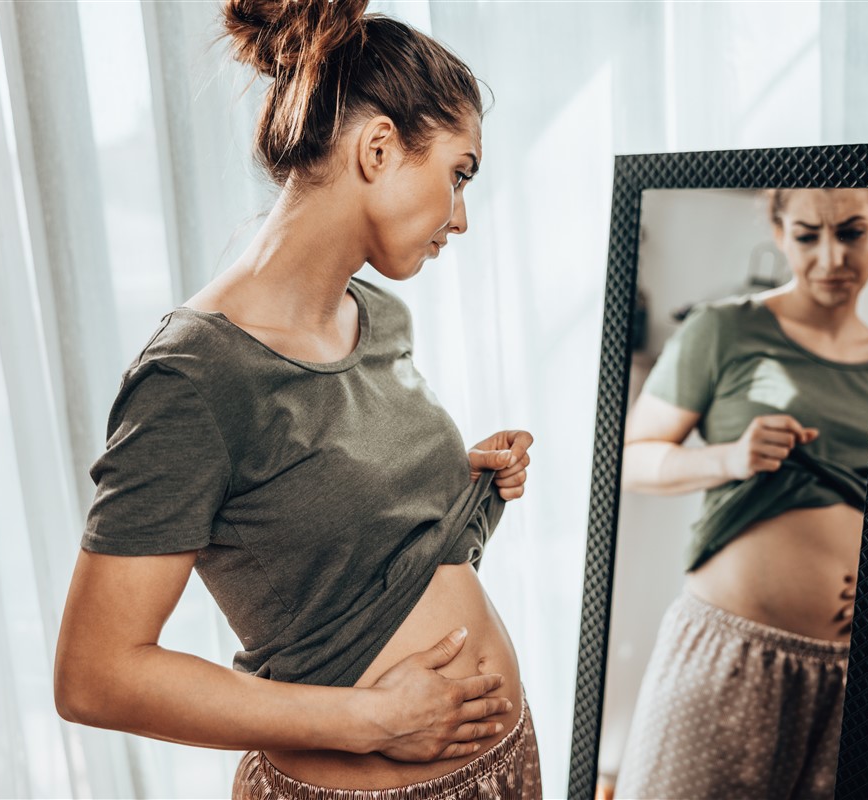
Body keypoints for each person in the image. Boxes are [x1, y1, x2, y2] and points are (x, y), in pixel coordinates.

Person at [53, 1, 541, 797]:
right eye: (459, 174)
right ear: (379, 148)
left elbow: (348, 550)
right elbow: (95, 677)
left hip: (501, 763)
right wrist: (374, 722)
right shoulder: (193, 377)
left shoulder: (377, 315)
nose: (460, 217)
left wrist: (462, 485)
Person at [613, 187, 868, 799]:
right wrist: (728, 457)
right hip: (732, 655)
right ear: (777, 229)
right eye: (805, 235)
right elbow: (628, 461)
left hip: (853, 679)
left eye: (850, 232)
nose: (829, 259)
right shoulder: (723, 330)